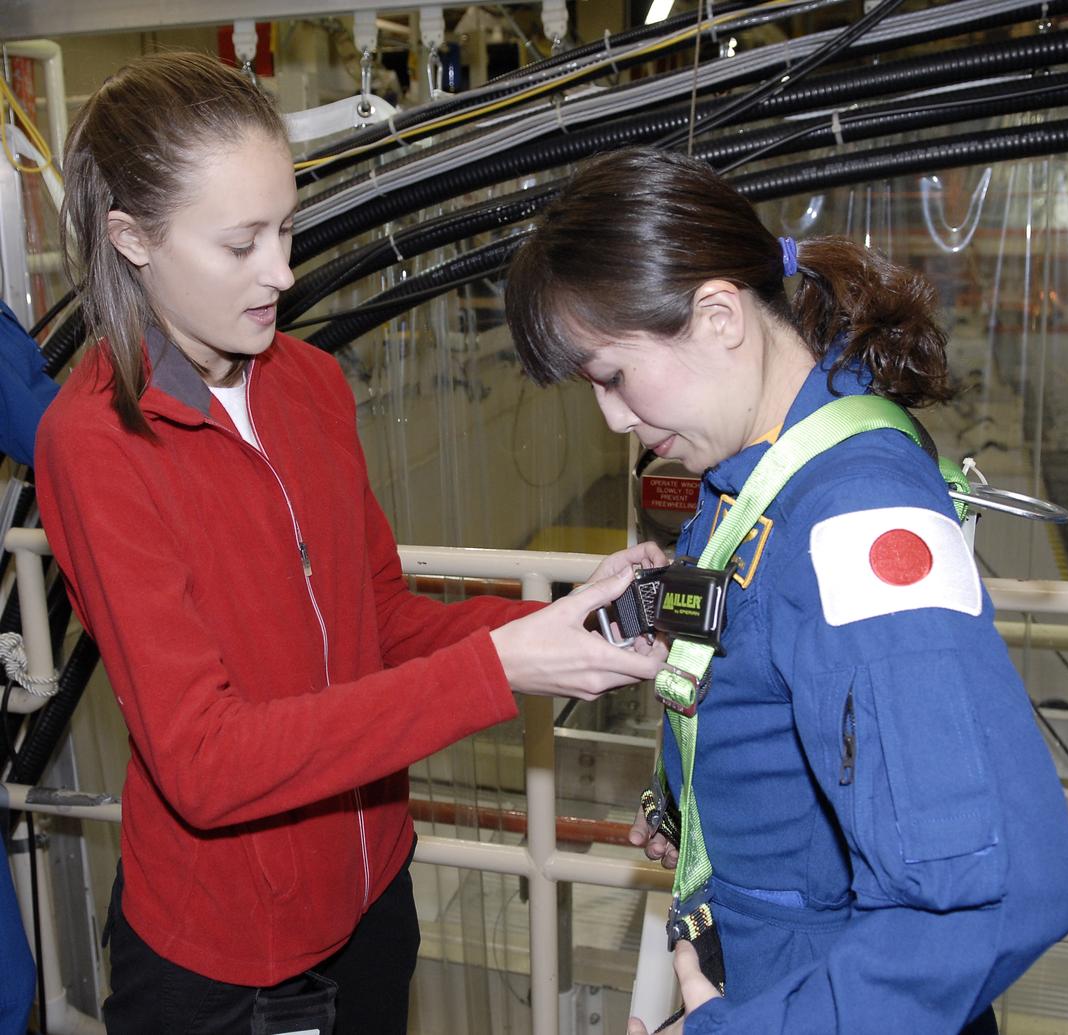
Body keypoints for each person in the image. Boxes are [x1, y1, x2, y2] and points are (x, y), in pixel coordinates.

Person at [37, 53, 666, 1034]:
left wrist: (557, 629)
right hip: (230, 958)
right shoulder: (95, 446)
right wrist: (496, 672)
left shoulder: (307, 386)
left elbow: (378, 621)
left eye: (285, 229)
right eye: (241, 243)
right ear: (132, 241)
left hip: (373, 898)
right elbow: (205, 761)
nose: (281, 272)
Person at [506, 147, 1068, 1034]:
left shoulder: (854, 515)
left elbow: (1002, 894)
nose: (613, 418)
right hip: (761, 964)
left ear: (718, 316)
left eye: (613, 376)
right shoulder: (750, 472)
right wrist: (697, 792)